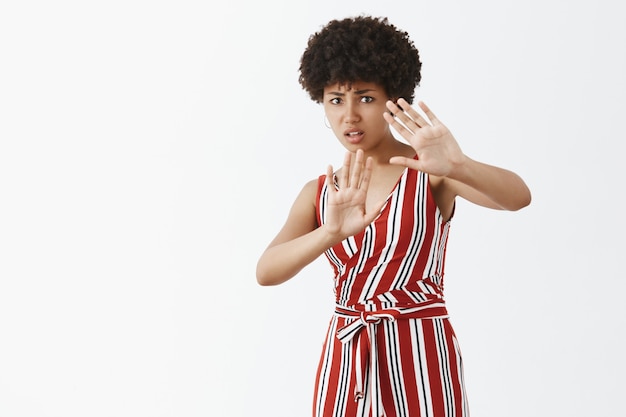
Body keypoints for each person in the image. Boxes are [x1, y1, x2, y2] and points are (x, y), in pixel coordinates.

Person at [256, 15, 531, 417]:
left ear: (392, 98)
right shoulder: (319, 193)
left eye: (365, 98)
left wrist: (459, 165)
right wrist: (329, 234)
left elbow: (518, 198)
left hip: (421, 350)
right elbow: (266, 271)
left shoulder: (429, 173)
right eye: (335, 99)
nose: (349, 115)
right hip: (347, 355)